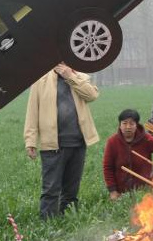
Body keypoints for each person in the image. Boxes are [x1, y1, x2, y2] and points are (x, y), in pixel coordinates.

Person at [24, 62, 99, 219]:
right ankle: (48, 223)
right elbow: (32, 111)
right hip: (52, 145)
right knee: (51, 189)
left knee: (71, 189)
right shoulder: (41, 80)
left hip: (78, 143)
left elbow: (92, 95)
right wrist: (30, 141)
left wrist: (70, 76)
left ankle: (69, 221)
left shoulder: (79, 76)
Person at [103, 109, 153, 200]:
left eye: (131, 124)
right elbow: (108, 168)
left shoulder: (146, 139)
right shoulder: (112, 142)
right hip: (121, 192)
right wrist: (112, 191)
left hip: (143, 191)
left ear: (136, 125)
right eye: (124, 123)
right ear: (120, 125)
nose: (128, 127)